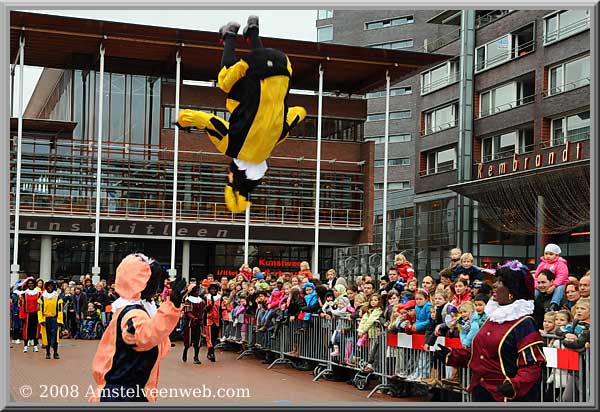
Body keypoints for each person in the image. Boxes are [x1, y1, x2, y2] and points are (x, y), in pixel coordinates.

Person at [176, 16, 307, 213]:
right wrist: (182, 120)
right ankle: (230, 34)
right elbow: (210, 122)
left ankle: (252, 32)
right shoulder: (232, 147)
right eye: (230, 176)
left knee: (258, 70)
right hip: (255, 67)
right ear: (236, 173)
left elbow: (295, 115)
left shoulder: (272, 143)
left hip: (284, 66)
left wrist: (301, 112)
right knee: (225, 80)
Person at [435, 260, 545, 402]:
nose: (494, 284)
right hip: (481, 392)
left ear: (512, 289)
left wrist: (515, 385)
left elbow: (533, 365)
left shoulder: (524, 323)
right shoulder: (493, 317)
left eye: (500, 282)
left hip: (506, 397)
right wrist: (453, 356)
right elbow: (482, 352)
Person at [89, 254, 187, 402]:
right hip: (123, 396)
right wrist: (172, 306)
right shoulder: (132, 314)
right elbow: (144, 337)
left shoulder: (131, 309)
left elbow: (158, 343)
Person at [534, 243, 569, 311]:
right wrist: (537, 285)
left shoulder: (561, 264)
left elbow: (562, 276)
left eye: (551, 254)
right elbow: (536, 276)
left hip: (558, 284)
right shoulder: (542, 264)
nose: (548, 256)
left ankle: (554, 304)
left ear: (557, 255)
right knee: (535, 291)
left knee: (560, 288)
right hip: (543, 284)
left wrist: (554, 286)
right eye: (546, 253)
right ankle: (531, 302)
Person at [38, 280, 64, 359]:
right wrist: (41, 320)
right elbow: (39, 310)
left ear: (54, 287)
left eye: (51, 286)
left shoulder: (57, 297)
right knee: (46, 337)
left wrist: (59, 320)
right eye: (48, 286)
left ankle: (55, 353)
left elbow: (60, 310)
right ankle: (48, 353)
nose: (49, 287)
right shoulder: (42, 297)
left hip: (54, 319)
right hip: (45, 319)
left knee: (55, 336)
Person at [182, 285, 205, 364]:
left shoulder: (201, 300)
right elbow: (187, 312)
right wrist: (193, 318)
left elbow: (203, 310)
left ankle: (196, 357)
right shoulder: (188, 300)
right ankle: (185, 351)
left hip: (199, 323)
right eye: (196, 291)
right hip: (190, 324)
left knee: (197, 341)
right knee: (188, 341)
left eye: (198, 291)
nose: (198, 292)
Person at [19, 277, 41, 353]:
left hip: (36, 314)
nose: (30, 285)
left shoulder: (39, 294)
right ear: (27, 285)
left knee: (35, 330)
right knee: (26, 330)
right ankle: (25, 346)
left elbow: (41, 305)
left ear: (34, 284)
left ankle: (35, 346)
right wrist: (22, 316)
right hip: (27, 315)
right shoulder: (24, 294)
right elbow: (22, 306)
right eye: (29, 284)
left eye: (32, 283)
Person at [205, 282, 222, 362]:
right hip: (209, 320)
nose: (213, 290)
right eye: (212, 289)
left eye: (215, 289)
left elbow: (222, 309)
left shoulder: (220, 298)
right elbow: (204, 310)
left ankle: (209, 352)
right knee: (210, 337)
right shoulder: (206, 298)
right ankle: (212, 353)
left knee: (215, 338)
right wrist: (209, 305)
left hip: (217, 320)